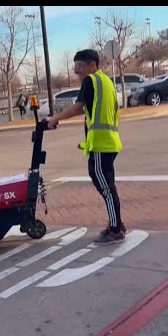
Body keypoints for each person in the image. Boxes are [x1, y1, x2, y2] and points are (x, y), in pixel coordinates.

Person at [47, 49, 126, 244]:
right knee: (108, 186)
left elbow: (77, 107)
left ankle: (116, 230)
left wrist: (54, 119)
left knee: (105, 187)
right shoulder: (106, 81)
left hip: (101, 143)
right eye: (75, 68)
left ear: (92, 65)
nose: (77, 73)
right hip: (110, 141)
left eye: (80, 68)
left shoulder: (91, 81)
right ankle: (117, 224)